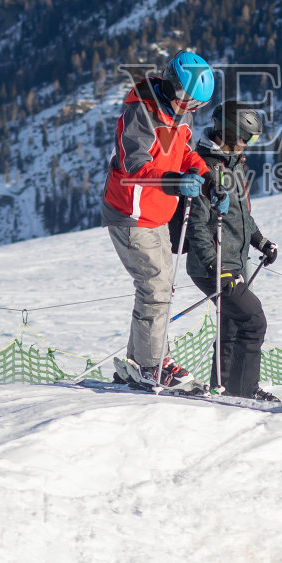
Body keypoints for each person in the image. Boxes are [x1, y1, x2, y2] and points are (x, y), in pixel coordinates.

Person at [103, 50, 218, 391]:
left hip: (158, 215)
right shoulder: (142, 111)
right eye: (185, 100)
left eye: (195, 105)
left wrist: (204, 175)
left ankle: (135, 364)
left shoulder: (179, 116)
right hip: (131, 213)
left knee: (161, 288)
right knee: (155, 288)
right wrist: (174, 182)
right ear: (170, 86)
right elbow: (133, 164)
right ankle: (154, 366)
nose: (189, 109)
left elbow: (184, 152)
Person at [179, 102, 281, 400]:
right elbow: (197, 226)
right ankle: (245, 390)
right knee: (253, 319)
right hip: (211, 265)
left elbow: (242, 215)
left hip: (232, 262)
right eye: (244, 138)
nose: (246, 144)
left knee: (232, 325)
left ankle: (223, 388)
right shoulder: (205, 168)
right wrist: (215, 266)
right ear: (228, 132)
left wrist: (261, 241)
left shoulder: (233, 166)